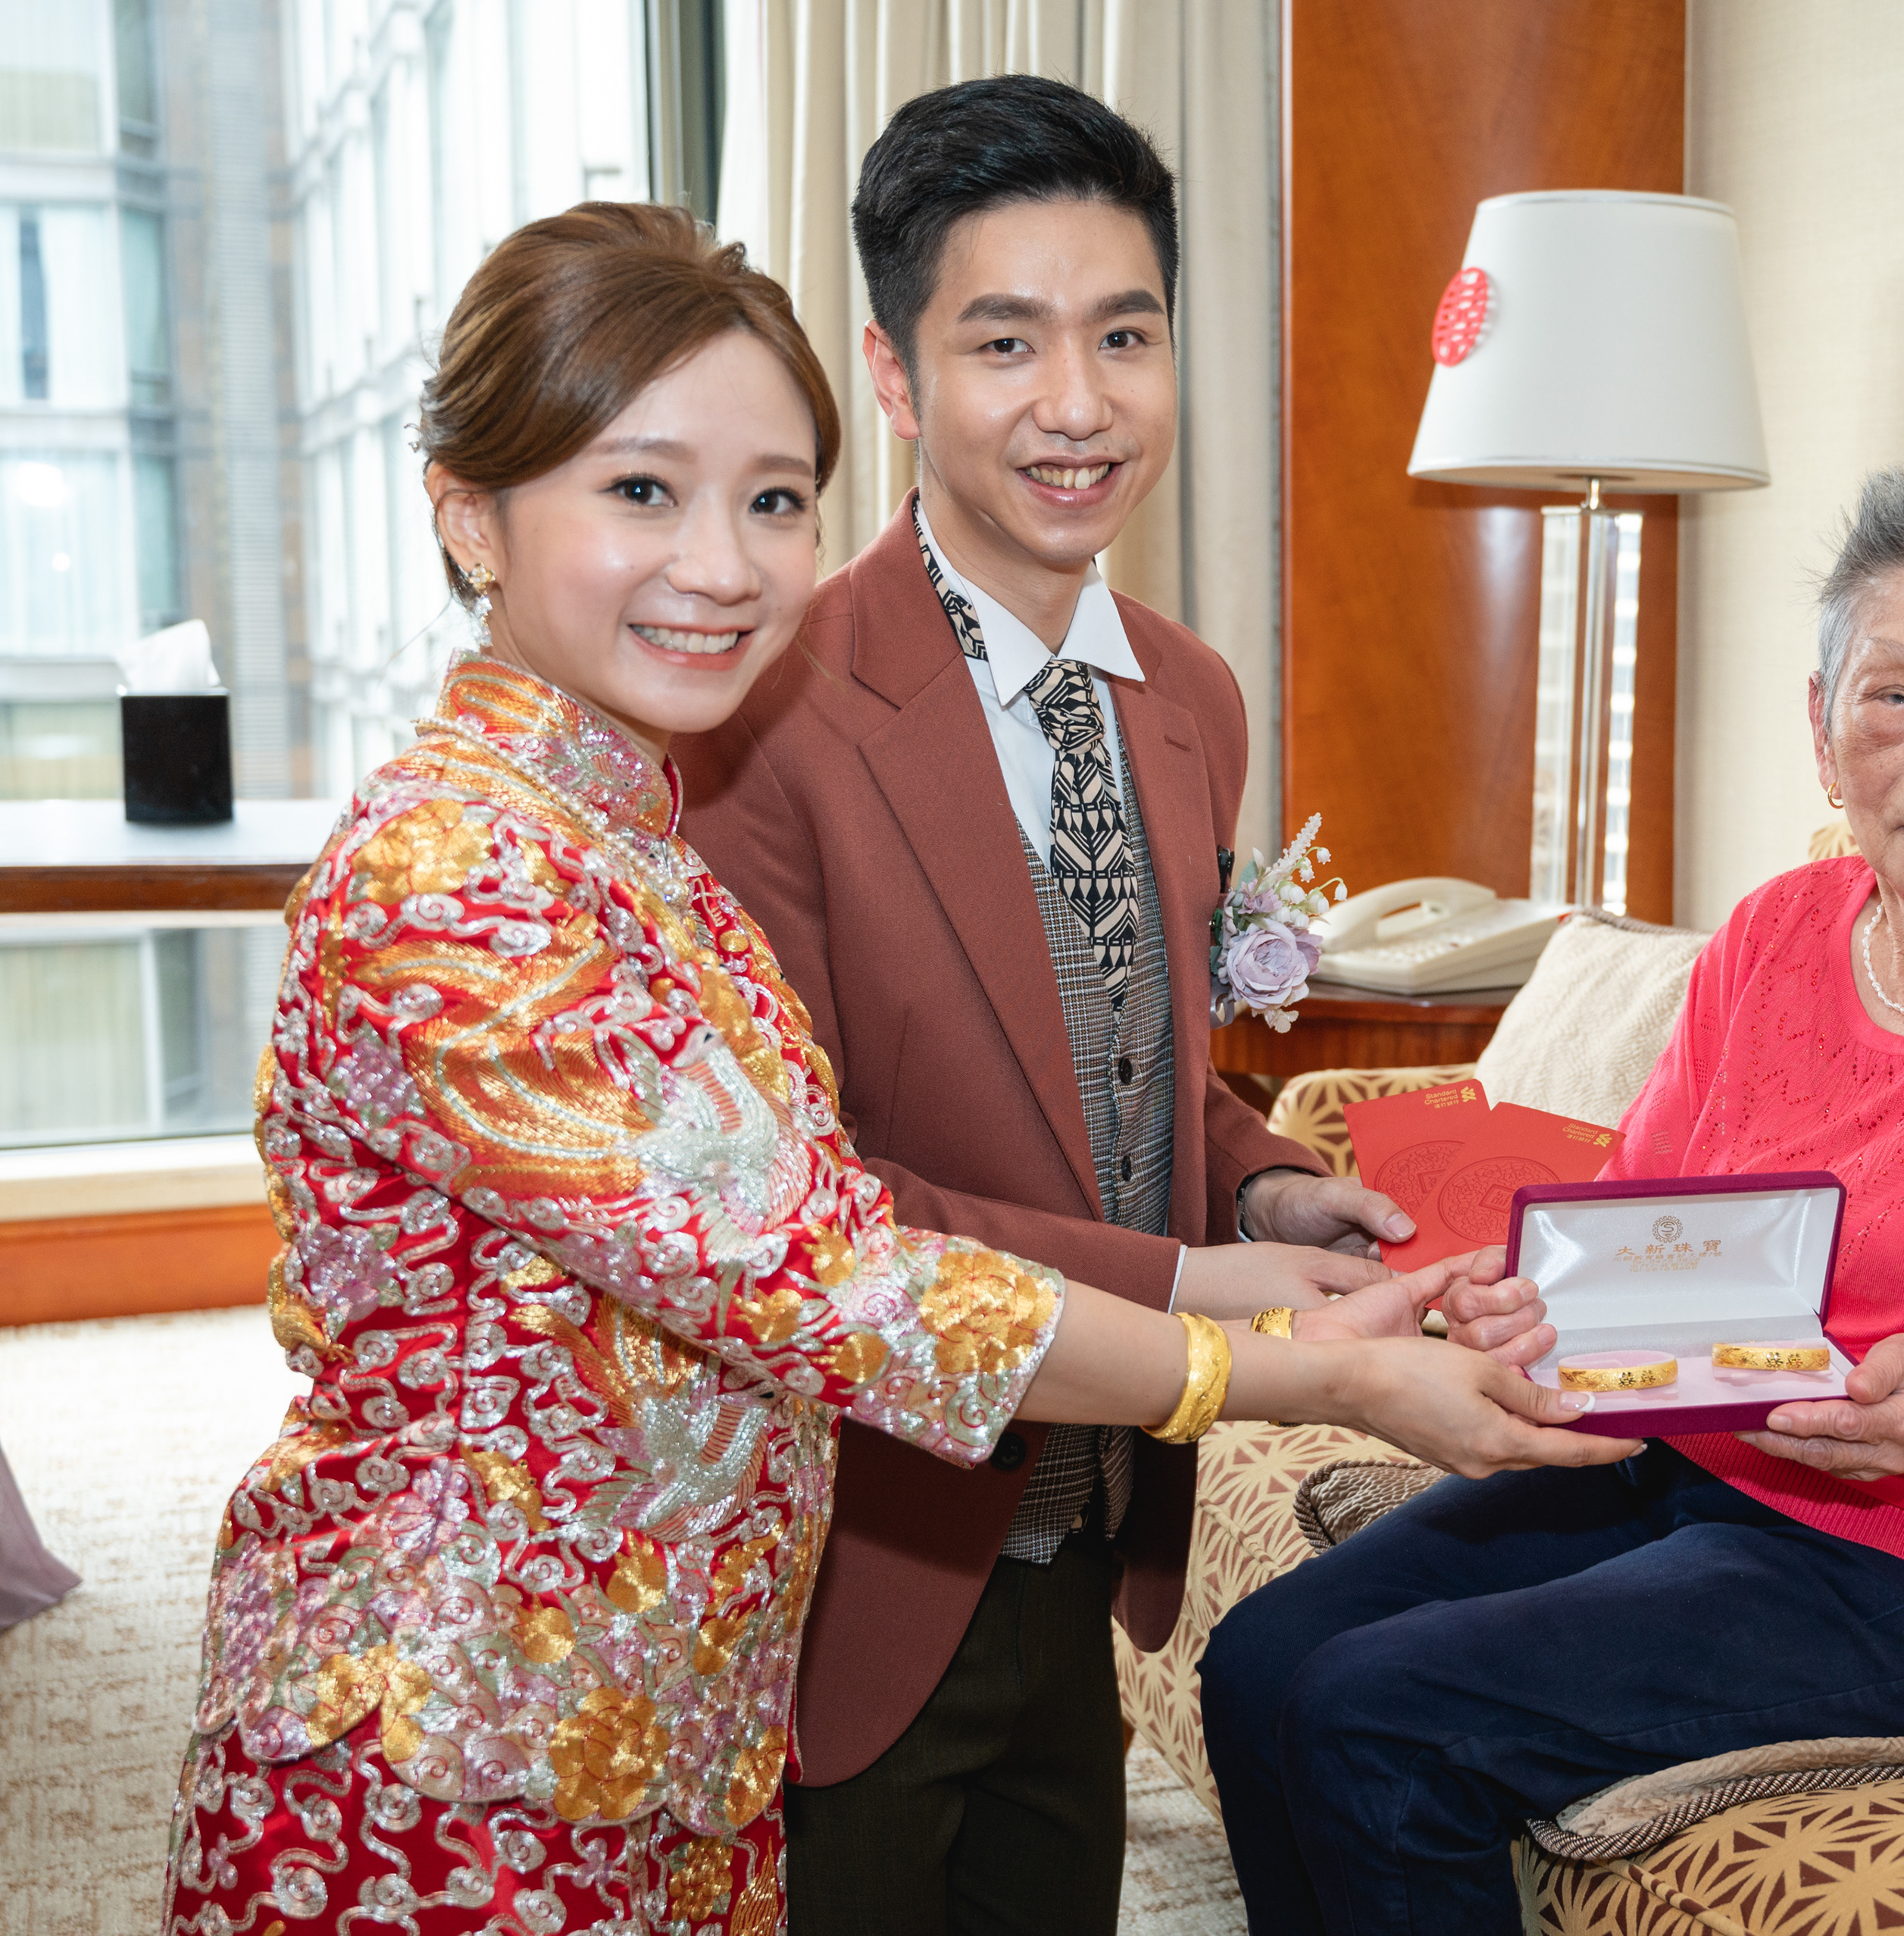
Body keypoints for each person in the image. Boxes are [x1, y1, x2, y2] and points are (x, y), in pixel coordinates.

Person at [159, 201, 1624, 1936]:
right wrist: (1296, 1375)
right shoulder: (461, 876)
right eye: (643, 491)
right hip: (457, 1745)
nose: (724, 565)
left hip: (666, 1720)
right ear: (470, 512)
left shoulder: (624, 835)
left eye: (774, 500)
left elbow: (824, 1207)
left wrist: (1257, 1263)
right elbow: (828, 1281)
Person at [1198, 461, 1904, 1936]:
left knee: (1378, 1715)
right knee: (1262, 1661)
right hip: (1703, 1465)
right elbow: (1636, 1236)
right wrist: (1523, 1305)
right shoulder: (1775, 934)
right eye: (1894, 696)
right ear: (1824, 734)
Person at [671, 77, 1485, 1934]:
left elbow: (1125, 1060)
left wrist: (1264, 1182)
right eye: (1005, 343)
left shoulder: (1189, 697)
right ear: (893, 376)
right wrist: (1199, 1283)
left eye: (1126, 335)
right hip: (861, 1541)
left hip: (1096, 1520)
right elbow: (805, 1207)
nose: (1079, 403)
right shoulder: (767, 712)